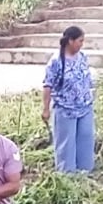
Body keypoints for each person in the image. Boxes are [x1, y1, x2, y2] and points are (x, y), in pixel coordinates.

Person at [42, 26, 96, 174]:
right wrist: (45, 109)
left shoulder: (83, 56)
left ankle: (85, 171)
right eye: (80, 41)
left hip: (85, 107)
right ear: (70, 41)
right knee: (66, 143)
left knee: (85, 139)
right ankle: (67, 175)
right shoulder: (56, 61)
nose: (82, 44)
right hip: (65, 109)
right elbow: (48, 85)